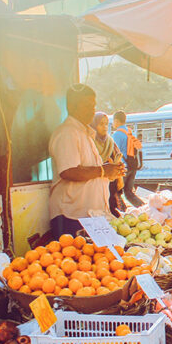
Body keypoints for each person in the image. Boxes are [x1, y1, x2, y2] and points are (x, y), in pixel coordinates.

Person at [48, 85, 124, 238]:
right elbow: (68, 171)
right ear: (71, 106)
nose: (92, 110)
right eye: (87, 106)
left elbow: (89, 171)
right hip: (71, 216)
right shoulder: (67, 133)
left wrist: (110, 172)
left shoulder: (84, 133)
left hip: (89, 215)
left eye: (93, 106)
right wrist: (103, 170)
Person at [90, 112, 126, 217]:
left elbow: (118, 160)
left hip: (111, 187)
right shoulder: (89, 143)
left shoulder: (110, 142)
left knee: (112, 213)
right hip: (95, 186)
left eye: (106, 124)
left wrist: (119, 174)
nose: (105, 127)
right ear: (93, 125)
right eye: (101, 124)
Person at [111, 111, 143, 207]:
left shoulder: (117, 135)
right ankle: (143, 208)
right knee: (129, 193)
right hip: (133, 166)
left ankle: (121, 213)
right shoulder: (130, 133)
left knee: (116, 193)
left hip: (123, 168)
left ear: (116, 121)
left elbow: (115, 152)